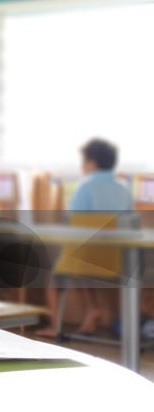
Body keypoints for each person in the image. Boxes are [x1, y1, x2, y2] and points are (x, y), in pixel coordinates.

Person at [38, 138, 133, 337]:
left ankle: (55, 327)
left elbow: (74, 222)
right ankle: (93, 308)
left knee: (54, 279)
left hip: (87, 255)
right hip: (116, 259)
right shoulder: (123, 189)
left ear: (91, 162)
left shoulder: (85, 186)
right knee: (80, 270)